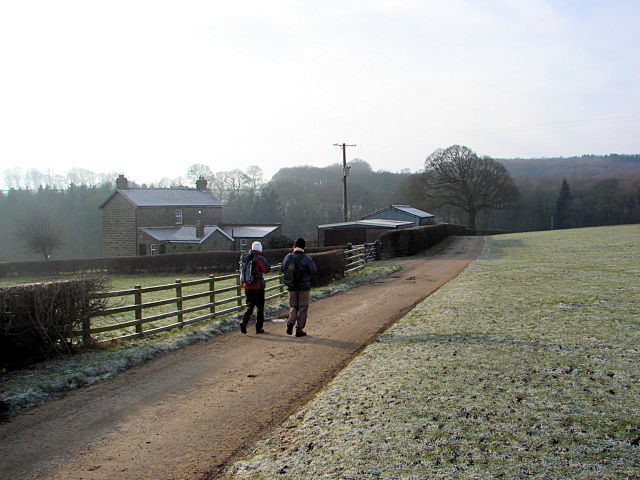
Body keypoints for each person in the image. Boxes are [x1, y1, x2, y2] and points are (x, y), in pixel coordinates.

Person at [282, 237, 317, 337]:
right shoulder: (306, 258)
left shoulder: (288, 257)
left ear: (294, 246)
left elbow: (283, 268)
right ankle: (299, 329)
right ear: (303, 247)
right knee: (303, 307)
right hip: (303, 287)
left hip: (291, 286)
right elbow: (313, 271)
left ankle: (290, 322)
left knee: (293, 306)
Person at [240, 241, 271, 334]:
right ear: (260, 248)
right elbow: (266, 270)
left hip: (247, 286)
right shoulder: (259, 258)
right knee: (260, 307)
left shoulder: (246, 257)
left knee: (249, 306)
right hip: (257, 286)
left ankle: (243, 322)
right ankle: (259, 328)